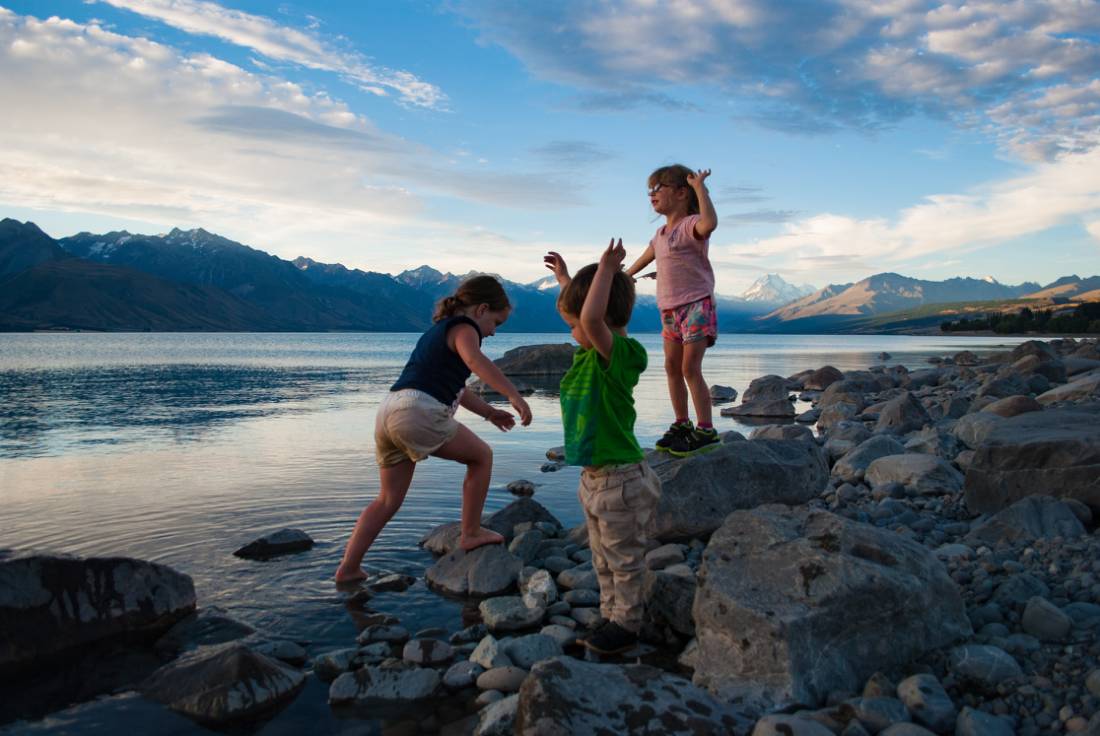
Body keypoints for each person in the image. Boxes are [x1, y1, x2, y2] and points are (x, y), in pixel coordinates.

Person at [334, 275, 532, 584]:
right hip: (418, 411)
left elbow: (459, 390)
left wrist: (490, 412)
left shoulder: (436, 333)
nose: (493, 332)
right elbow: (475, 359)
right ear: (481, 310)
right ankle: (470, 532)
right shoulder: (466, 329)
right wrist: (513, 395)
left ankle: (348, 568)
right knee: (481, 457)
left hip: (389, 411)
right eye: (496, 322)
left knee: (387, 499)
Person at [543, 240, 661, 654]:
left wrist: (609, 270)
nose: (573, 331)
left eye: (574, 324)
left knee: (624, 559)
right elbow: (583, 313)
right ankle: (612, 616)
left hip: (620, 479)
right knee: (603, 558)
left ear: (604, 320)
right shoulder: (592, 354)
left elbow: (591, 318)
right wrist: (566, 279)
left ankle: (627, 625)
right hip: (595, 478)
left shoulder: (620, 355)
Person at [625, 164, 719, 457]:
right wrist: (620, 276)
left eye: (659, 187)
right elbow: (642, 261)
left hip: (696, 304)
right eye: (650, 189)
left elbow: (710, 223)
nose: (652, 194)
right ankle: (681, 422)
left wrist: (700, 188)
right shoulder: (660, 234)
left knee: (690, 367)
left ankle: (706, 429)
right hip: (668, 309)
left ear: (681, 193)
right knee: (671, 367)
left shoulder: (691, 224)